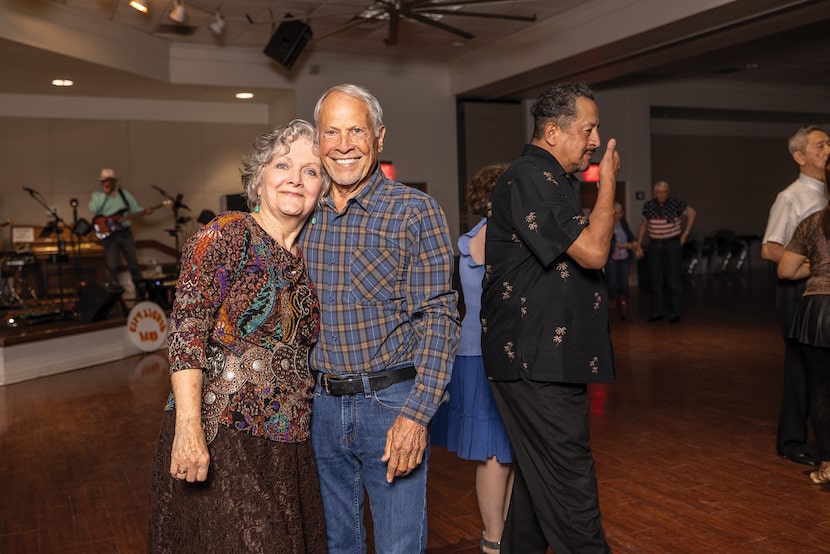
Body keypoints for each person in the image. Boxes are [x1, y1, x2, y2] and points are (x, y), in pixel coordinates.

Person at [147, 119, 329, 553]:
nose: (295, 179)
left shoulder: (307, 259)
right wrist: (189, 431)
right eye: (283, 165)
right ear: (258, 179)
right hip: (222, 432)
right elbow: (187, 332)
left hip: (289, 443)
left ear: (323, 187)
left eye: (310, 170)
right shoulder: (228, 233)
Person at [301, 83, 460, 554]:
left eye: (357, 131)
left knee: (398, 545)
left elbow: (439, 317)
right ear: (317, 139)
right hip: (321, 409)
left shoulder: (415, 212)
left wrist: (417, 414)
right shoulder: (303, 213)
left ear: (379, 137)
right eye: (332, 132)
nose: (344, 144)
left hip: (390, 405)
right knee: (336, 544)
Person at [481, 82, 620, 554]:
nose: (596, 140)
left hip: (545, 357)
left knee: (540, 491)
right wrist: (608, 188)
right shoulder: (530, 176)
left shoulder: (552, 181)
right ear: (554, 132)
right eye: (588, 129)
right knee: (572, 493)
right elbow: (595, 252)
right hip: (535, 360)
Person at [430, 163, 514, 554]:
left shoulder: (470, 237)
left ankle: (502, 536)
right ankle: (494, 540)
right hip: (486, 354)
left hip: (472, 351)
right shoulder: (502, 238)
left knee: (503, 451)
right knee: (496, 452)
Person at [761, 125, 830, 467]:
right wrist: (814, 265)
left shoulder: (825, 194)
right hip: (798, 295)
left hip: (818, 295)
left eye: (828, 143)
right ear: (800, 157)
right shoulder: (791, 197)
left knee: (817, 374)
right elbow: (770, 248)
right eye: (820, 145)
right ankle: (792, 441)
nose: (828, 149)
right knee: (800, 369)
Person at [776, 162, 830, 485]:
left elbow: (785, 269)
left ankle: (827, 463)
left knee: (822, 391)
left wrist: (819, 270)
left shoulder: (813, 223)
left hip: (817, 312)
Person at [635, 180, 696, 323]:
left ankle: (675, 313)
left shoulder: (675, 203)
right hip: (655, 245)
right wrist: (638, 245)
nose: (662, 194)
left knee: (673, 279)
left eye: (664, 192)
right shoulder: (649, 206)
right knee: (655, 279)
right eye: (659, 192)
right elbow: (644, 226)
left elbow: (693, 213)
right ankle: (657, 312)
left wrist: (685, 234)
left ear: (668, 193)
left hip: (672, 244)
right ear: (654, 193)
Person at [88, 167, 153, 297]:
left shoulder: (124, 194)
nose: (106, 183)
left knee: (133, 264)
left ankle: (141, 296)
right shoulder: (97, 195)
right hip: (109, 236)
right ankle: (114, 298)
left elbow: (134, 208)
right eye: (104, 181)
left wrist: (144, 211)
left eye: (109, 180)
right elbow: (93, 208)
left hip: (124, 232)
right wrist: (105, 195)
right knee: (112, 267)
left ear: (113, 181)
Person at [606, 201, 638, 321]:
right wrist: (627, 245)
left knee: (624, 282)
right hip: (612, 258)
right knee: (613, 283)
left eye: (620, 213)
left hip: (624, 257)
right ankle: (612, 304)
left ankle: (624, 305)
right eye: (616, 213)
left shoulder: (623, 223)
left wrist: (635, 242)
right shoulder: (607, 224)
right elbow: (610, 243)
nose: (619, 215)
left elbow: (630, 235)